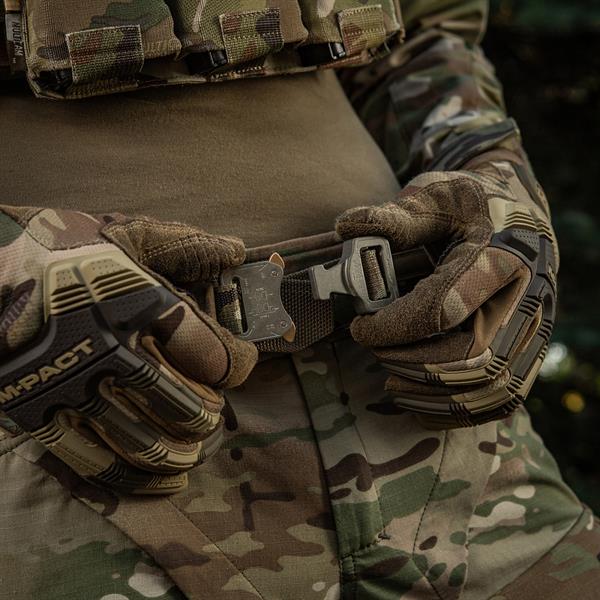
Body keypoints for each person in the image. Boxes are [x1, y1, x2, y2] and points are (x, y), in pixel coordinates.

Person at [1, 1, 599, 598]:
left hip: (433, 402)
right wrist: (11, 268)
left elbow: (426, 29)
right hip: (94, 433)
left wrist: (497, 176)